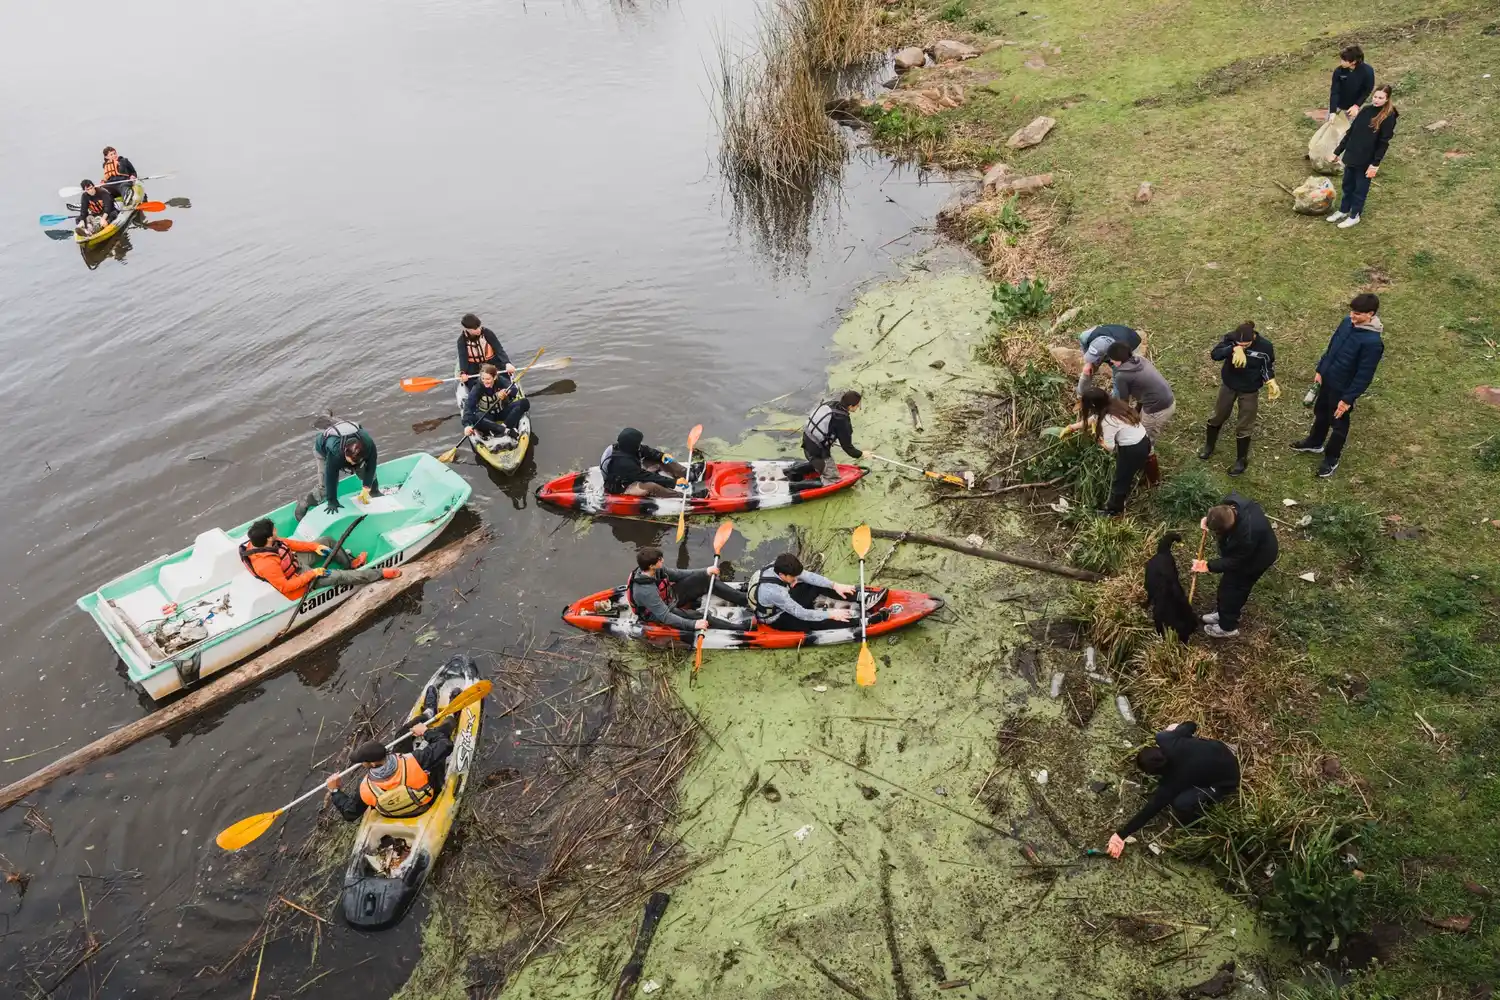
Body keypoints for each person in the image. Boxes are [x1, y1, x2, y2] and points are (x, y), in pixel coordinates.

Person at [1105, 722, 1240, 858]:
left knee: (1181, 803)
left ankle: (1196, 824)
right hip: (1222, 751)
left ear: (1154, 773)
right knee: (1176, 734)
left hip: (1228, 780)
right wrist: (1176, 731)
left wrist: (1121, 835)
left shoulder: (1172, 783)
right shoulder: (1165, 739)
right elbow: (1191, 725)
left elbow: (1149, 811)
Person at [1290, 293, 1385, 477]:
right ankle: (1315, 442)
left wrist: (1347, 399)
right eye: (1352, 312)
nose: (1352, 316)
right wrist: (1321, 370)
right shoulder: (1346, 323)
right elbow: (1332, 347)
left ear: (1370, 314)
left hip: (1343, 390)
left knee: (1339, 425)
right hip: (1327, 380)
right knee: (1321, 412)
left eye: (1358, 314)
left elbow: (1364, 375)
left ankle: (1331, 458)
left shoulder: (1373, 343)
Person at [327, 699, 455, 821]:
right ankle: (451, 716)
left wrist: (335, 790)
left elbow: (350, 813)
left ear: (372, 764)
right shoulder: (414, 761)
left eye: (362, 760)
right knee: (439, 732)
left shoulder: (365, 788)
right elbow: (446, 745)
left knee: (402, 735)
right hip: (426, 801)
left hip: (394, 814)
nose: (361, 763)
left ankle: (429, 713)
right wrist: (426, 732)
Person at [238, 517, 397, 601]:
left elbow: (291, 544)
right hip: (298, 577)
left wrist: (315, 547)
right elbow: (286, 587)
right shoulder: (265, 565)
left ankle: (350, 564)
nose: (276, 530)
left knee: (326, 540)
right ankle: (379, 574)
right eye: (274, 530)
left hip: (295, 562)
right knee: (338, 576)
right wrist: (312, 574)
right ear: (268, 538)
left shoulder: (265, 542)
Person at [1190, 493, 1279, 639]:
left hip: (1257, 558)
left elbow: (1236, 561)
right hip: (1248, 549)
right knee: (1227, 586)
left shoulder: (1246, 535)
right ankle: (1223, 613)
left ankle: (1227, 627)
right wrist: (1208, 520)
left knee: (1234, 590)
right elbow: (1219, 515)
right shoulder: (1232, 501)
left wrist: (1208, 566)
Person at [1198, 321, 1279, 477]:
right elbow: (1215, 355)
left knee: (1245, 423)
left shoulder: (1265, 346)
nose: (1243, 346)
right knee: (1218, 415)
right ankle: (1209, 446)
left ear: (1253, 338)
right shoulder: (1231, 339)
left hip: (1249, 389)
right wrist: (1232, 349)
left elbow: (1267, 366)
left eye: (1246, 344)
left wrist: (1270, 380)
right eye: (1239, 343)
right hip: (1229, 384)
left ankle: (1241, 460)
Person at [1064, 387, 1151, 516]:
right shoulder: (1115, 405)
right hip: (1143, 440)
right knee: (1127, 473)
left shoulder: (1108, 421)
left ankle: (1114, 511)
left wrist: (1099, 439)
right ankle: (1140, 479)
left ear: (1093, 405)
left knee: (1120, 480)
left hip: (1133, 449)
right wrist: (1072, 427)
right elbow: (1094, 418)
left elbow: (1110, 447)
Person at [748, 553, 887, 633]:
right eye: (793, 577)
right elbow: (802, 613)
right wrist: (831, 614)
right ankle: (862, 622)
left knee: (813, 584)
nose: (796, 579)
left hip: (781, 600)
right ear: (782, 575)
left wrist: (834, 585)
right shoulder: (775, 592)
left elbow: (807, 576)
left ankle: (862, 598)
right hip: (776, 617)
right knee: (812, 621)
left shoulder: (779, 565)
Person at [627, 546, 748, 632]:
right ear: (651, 565)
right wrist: (693, 624)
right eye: (659, 560)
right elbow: (665, 616)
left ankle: (745, 600)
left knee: (705, 580)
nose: (662, 560)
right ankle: (739, 628)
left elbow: (678, 574)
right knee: (701, 617)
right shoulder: (645, 591)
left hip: (670, 596)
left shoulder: (656, 570)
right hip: (661, 611)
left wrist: (705, 571)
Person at [1327, 85, 1397, 229]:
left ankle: (1355, 215)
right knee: (1347, 185)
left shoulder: (1388, 117)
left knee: (1360, 189)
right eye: (1375, 97)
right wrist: (1337, 151)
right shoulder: (1366, 110)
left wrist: (1375, 164)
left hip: (1367, 159)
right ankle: (1344, 210)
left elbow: (1383, 143)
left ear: (1387, 99)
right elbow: (1351, 132)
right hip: (1352, 155)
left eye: (1381, 98)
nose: (1376, 100)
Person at [1104, 341, 1172, 485]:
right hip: (1166, 399)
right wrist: (1136, 411)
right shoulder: (1140, 360)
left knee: (1144, 443)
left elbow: (1123, 402)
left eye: (1112, 359)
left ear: (1118, 360)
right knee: (1140, 430)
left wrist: (1114, 418)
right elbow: (1143, 390)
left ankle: (1153, 480)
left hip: (1157, 409)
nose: (1110, 361)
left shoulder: (1122, 375)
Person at [298, 419, 380, 518]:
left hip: (353, 454)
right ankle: (306, 501)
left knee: (365, 471)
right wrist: (332, 501)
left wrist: (366, 487)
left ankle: (374, 491)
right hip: (323, 452)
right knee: (325, 487)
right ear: (345, 452)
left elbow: (371, 466)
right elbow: (331, 477)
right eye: (350, 462)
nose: (352, 465)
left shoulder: (369, 444)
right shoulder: (335, 452)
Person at [600, 427, 694, 498]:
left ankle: (687, 475)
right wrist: (673, 482)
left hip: (634, 472)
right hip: (623, 486)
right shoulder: (623, 463)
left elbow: (646, 451)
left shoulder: (628, 447)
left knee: (659, 459)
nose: (639, 445)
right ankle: (681, 496)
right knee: (651, 486)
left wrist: (661, 455)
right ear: (631, 445)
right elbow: (645, 476)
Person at [798, 391, 863, 486]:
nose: (858, 408)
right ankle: (794, 486)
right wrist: (861, 454)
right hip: (818, 453)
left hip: (806, 444)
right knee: (834, 480)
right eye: (857, 405)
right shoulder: (842, 420)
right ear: (850, 406)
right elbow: (847, 448)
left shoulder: (830, 404)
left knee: (817, 462)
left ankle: (794, 471)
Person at [455, 313, 514, 409]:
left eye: (478, 326)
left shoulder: (487, 333)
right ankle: (479, 402)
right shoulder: (461, 341)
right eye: (474, 329)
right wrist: (463, 373)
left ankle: (507, 399)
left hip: (492, 363)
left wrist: (507, 363)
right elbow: (463, 358)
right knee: (473, 385)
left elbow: (499, 349)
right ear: (467, 329)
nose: (478, 330)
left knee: (503, 378)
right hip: (474, 367)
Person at [462, 363, 530, 444]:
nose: (485, 381)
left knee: (524, 403)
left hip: (501, 411)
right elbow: (468, 407)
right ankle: (506, 430)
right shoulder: (477, 388)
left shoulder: (500, 380)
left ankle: (502, 428)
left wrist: (506, 392)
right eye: (483, 378)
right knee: (476, 417)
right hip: (487, 415)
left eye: (488, 379)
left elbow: (514, 390)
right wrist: (467, 425)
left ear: (494, 377)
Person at [1075, 324, 1142, 397]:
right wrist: (1089, 363)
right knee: (1087, 371)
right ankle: (1081, 396)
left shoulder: (1122, 352)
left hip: (1129, 341)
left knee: (1119, 378)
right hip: (1112, 334)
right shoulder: (1086, 337)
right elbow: (1086, 348)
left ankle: (1115, 401)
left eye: (1096, 358)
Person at [1328, 45, 1375, 122]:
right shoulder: (1339, 71)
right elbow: (1335, 91)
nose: (1341, 62)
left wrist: (1357, 105)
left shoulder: (1367, 71)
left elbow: (1367, 90)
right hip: (1338, 105)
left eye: (1344, 60)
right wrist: (1332, 111)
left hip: (1353, 108)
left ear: (1353, 62)